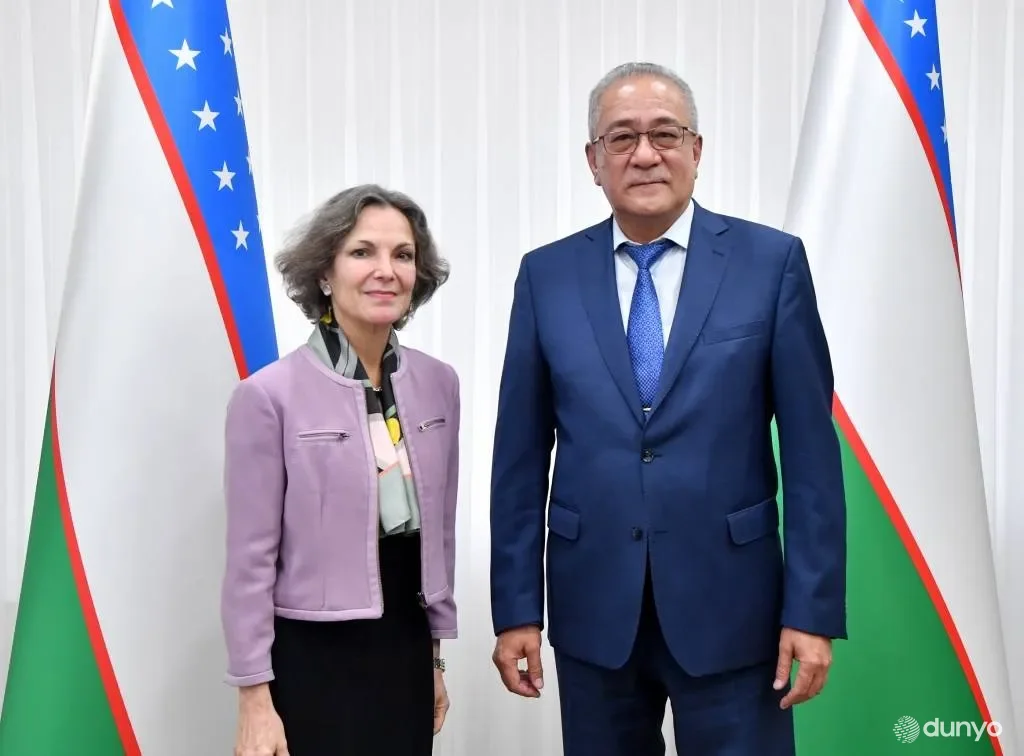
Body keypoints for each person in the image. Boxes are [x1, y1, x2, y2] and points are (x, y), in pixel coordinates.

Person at [489, 62, 847, 755]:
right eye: (622, 137)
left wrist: (812, 611)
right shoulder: (546, 275)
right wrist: (517, 610)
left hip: (735, 609)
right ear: (594, 160)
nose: (645, 154)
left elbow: (811, 455)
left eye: (665, 134)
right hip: (595, 609)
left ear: (696, 149)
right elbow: (520, 459)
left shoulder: (770, 264)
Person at [220, 184, 461, 756]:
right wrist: (255, 699)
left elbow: (438, 533)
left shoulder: (439, 383)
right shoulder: (267, 396)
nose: (386, 270)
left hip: (405, 645)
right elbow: (250, 562)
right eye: (362, 252)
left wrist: (434, 659)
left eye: (403, 255)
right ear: (325, 273)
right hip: (311, 659)